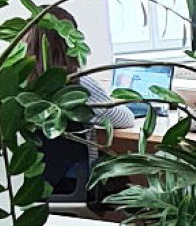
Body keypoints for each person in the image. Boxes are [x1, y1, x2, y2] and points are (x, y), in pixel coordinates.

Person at [21, 8, 138, 141]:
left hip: (36, 161)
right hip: (80, 162)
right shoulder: (78, 85)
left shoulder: (18, 85)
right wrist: (115, 102)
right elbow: (124, 119)